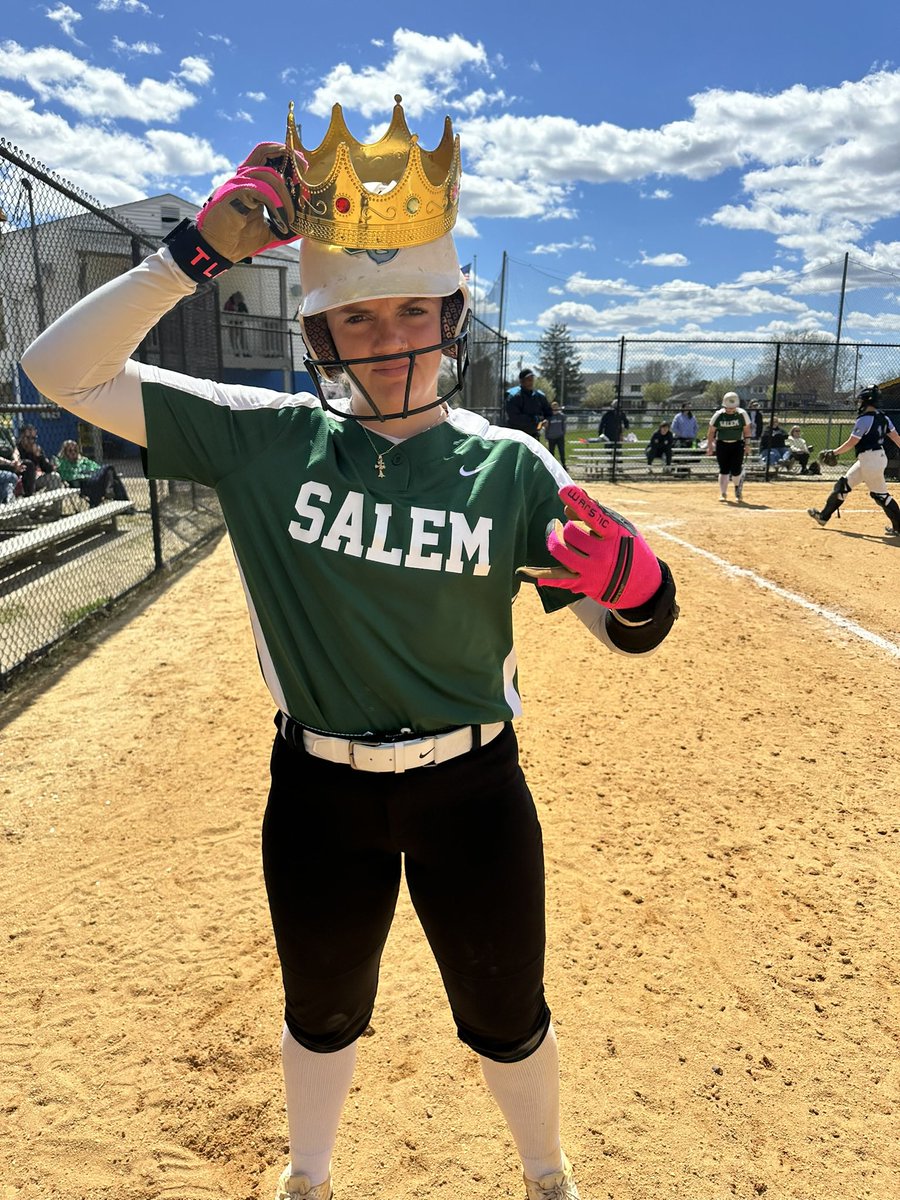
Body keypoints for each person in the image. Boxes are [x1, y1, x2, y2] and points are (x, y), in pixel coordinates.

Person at [22, 97, 679, 1200]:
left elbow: (625, 623)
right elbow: (60, 371)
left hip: (473, 786)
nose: (391, 340)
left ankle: (547, 1179)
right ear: (320, 336)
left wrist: (646, 595)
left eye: (412, 311)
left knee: (507, 1016)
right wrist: (190, 257)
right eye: (360, 321)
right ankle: (310, 1178)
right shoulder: (263, 436)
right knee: (321, 1010)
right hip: (319, 790)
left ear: (451, 315)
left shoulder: (509, 467)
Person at [808, 385, 900, 536]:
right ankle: (823, 517)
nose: (859, 403)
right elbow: (896, 438)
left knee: (881, 495)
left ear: (867, 401)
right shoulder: (884, 418)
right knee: (843, 485)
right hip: (872, 459)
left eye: (861, 400)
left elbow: (852, 443)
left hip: (870, 461)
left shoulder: (863, 420)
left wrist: (833, 452)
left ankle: (899, 527)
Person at [56, 439, 130, 507]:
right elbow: (69, 477)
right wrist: (85, 474)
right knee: (110, 470)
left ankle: (111, 494)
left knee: (111, 475)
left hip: (94, 478)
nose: (73, 452)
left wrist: (91, 472)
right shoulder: (63, 463)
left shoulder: (83, 460)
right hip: (83, 484)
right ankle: (113, 494)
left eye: (75, 450)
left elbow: (96, 467)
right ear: (65, 452)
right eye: (70, 450)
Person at [706, 391, 751, 502]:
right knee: (724, 469)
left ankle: (737, 489)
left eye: (733, 408)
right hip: (722, 444)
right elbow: (711, 431)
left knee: (736, 470)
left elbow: (747, 431)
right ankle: (723, 493)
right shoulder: (719, 415)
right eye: (728, 408)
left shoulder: (742, 414)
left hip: (737, 444)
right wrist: (710, 446)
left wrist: (748, 445)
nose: (730, 410)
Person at [15, 424, 63, 495]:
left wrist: (39, 456)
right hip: (20, 481)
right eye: (28, 438)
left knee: (55, 477)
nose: (31, 441)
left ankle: (52, 505)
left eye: (34, 438)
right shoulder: (16, 448)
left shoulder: (36, 449)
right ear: (21, 436)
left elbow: (47, 469)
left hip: (35, 479)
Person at [506, 368, 551, 438]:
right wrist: (535, 419)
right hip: (517, 435)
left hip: (534, 435)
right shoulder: (514, 396)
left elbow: (548, 412)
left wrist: (546, 420)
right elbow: (515, 418)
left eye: (532, 379)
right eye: (528, 379)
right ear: (522, 381)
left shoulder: (539, 396)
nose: (531, 381)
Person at [224, 290, 250, 355]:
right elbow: (226, 311)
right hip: (232, 323)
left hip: (240, 323)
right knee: (233, 339)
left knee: (243, 338)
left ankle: (245, 352)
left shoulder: (242, 304)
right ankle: (236, 352)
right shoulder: (229, 303)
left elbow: (246, 312)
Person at [543, 400, 567, 466]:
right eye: (553, 407)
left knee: (562, 452)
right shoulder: (549, 416)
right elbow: (546, 428)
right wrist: (546, 437)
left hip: (560, 436)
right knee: (551, 453)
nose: (555, 409)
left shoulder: (561, 416)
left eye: (556, 407)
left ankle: (564, 465)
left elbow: (564, 426)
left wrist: (563, 433)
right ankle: (552, 466)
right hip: (551, 437)